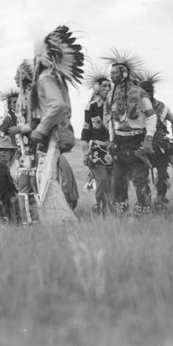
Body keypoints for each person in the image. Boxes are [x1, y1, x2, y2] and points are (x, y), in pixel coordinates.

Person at [26, 25, 83, 225]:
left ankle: (61, 221)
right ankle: (57, 220)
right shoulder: (55, 78)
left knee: (46, 177)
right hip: (56, 133)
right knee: (47, 177)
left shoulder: (46, 77)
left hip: (52, 136)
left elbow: (58, 105)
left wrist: (40, 129)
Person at [103, 50, 157, 215]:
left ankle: (144, 210)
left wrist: (148, 139)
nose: (111, 76)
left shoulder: (139, 92)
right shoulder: (111, 95)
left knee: (140, 180)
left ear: (124, 73)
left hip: (137, 140)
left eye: (114, 73)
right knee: (118, 180)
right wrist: (111, 139)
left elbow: (151, 116)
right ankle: (122, 209)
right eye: (110, 73)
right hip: (119, 142)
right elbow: (109, 119)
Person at [137, 72, 173, 210]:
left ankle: (160, 200)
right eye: (143, 92)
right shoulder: (136, 108)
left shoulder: (162, 107)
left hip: (162, 147)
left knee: (162, 175)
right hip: (142, 147)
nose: (147, 95)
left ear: (153, 92)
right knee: (142, 176)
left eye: (149, 92)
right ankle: (145, 203)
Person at [7, 60, 41, 225]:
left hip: (34, 148)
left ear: (26, 75)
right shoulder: (23, 95)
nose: (15, 77)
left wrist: (19, 129)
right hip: (24, 149)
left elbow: (38, 121)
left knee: (33, 186)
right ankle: (29, 221)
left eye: (18, 74)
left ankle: (36, 220)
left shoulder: (33, 94)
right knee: (24, 186)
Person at [80, 65, 113, 215]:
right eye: (104, 86)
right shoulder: (91, 106)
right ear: (97, 87)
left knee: (111, 181)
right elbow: (86, 130)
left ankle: (105, 209)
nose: (107, 88)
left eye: (109, 86)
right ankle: (102, 207)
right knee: (103, 180)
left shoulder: (114, 107)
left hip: (112, 149)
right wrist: (85, 152)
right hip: (96, 151)